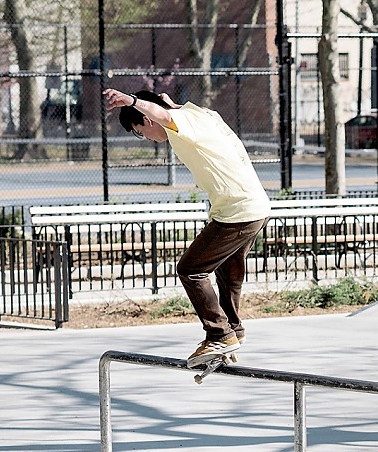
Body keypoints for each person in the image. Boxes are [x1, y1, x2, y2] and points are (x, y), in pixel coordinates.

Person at [103, 87, 271, 367]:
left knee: (191, 269)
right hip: (256, 207)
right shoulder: (201, 114)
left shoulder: (180, 123)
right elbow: (172, 110)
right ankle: (232, 332)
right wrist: (168, 104)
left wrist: (132, 102)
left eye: (142, 133)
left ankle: (219, 334)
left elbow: (163, 115)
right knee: (228, 273)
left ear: (146, 120)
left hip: (236, 211)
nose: (149, 139)